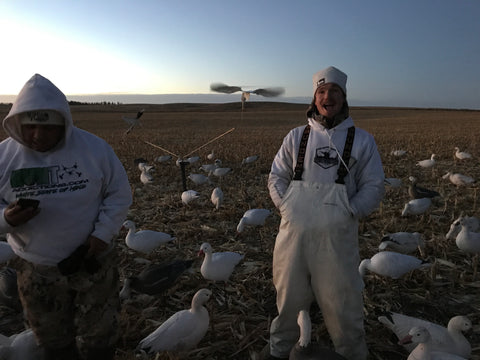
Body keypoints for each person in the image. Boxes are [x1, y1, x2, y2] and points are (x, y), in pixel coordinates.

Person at [0, 74, 132, 360]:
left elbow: (119, 194)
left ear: (63, 122)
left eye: (47, 127)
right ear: (17, 122)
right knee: (52, 341)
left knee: (100, 338)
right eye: (30, 126)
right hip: (37, 270)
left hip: (92, 261)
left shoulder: (94, 150)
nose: (38, 135)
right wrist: (7, 219)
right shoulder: (3, 158)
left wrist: (101, 236)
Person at [266, 66, 385, 359]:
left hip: (336, 238)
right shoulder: (296, 137)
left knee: (342, 302)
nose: (327, 96)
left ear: (343, 98)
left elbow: (374, 185)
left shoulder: (362, 140)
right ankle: (278, 352)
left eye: (334, 91)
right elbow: (276, 177)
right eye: (321, 91)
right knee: (288, 299)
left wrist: (350, 210)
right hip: (293, 237)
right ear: (314, 98)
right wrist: (286, 207)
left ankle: (353, 354)